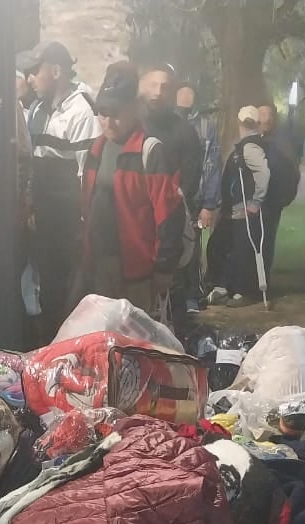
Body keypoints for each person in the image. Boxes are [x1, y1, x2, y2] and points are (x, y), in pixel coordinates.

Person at [78, 61, 185, 314]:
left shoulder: (150, 152)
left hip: (138, 273)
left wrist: (163, 269)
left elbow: (169, 215)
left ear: (134, 109)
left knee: (136, 345)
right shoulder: (96, 150)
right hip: (100, 266)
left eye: (115, 113)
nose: (108, 122)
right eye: (102, 113)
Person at [20, 40, 99, 336]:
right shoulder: (37, 110)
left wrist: (82, 224)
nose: (29, 79)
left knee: (71, 292)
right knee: (48, 290)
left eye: (33, 71)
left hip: (70, 221)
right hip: (44, 219)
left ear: (55, 71)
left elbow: (86, 175)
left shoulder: (82, 111)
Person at [139, 64, 200, 332]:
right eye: (153, 84)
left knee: (171, 301)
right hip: (137, 229)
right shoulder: (135, 128)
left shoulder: (184, 133)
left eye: (165, 87)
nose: (158, 92)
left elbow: (188, 183)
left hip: (169, 226)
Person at [206, 106, 270, 308]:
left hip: (243, 209)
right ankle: (223, 285)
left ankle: (243, 291)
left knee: (241, 251)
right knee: (220, 246)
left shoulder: (250, 147)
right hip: (232, 209)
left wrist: (256, 202)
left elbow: (264, 174)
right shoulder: (244, 146)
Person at [175, 82, 221, 314]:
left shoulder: (205, 128)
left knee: (192, 250)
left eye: (189, 92)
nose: (185, 96)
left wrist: (209, 204)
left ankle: (192, 296)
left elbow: (212, 166)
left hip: (195, 199)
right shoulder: (166, 121)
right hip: (169, 196)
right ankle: (172, 296)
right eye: (181, 91)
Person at [256, 102, 300, 278]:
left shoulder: (281, 144)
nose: (265, 119)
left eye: (268, 115)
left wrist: (285, 197)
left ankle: (262, 278)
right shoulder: (249, 141)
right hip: (249, 202)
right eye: (262, 114)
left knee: (266, 241)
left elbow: (292, 171)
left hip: (272, 202)